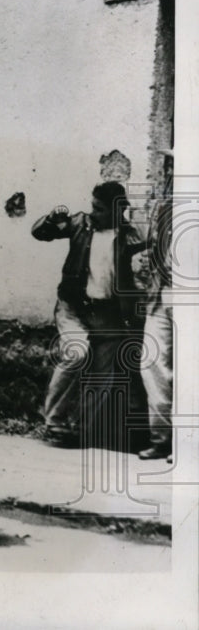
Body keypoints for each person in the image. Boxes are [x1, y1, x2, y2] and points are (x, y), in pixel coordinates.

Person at [32, 181, 146, 449]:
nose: (93, 213)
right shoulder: (79, 224)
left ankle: (80, 430)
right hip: (73, 307)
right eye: (93, 206)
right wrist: (50, 218)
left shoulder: (130, 235)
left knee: (102, 377)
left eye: (101, 209)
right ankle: (54, 421)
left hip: (109, 314)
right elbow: (40, 233)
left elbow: (147, 255)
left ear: (118, 211)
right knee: (77, 354)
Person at [138, 149, 174, 460]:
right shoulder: (165, 206)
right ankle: (162, 438)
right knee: (152, 363)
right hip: (162, 294)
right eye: (170, 165)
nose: (171, 171)